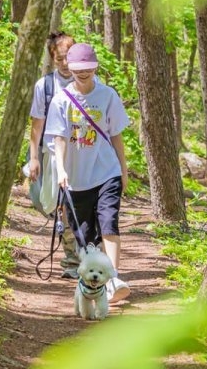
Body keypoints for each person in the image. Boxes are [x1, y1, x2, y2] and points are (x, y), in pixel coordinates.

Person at [45, 42, 131, 303]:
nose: (83, 74)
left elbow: (116, 136)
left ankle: (113, 277)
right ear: (69, 68)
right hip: (75, 178)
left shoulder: (108, 96)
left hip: (107, 171)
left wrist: (123, 171)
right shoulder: (61, 100)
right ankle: (93, 285)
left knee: (109, 221)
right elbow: (59, 139)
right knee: (86, 234)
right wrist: (61, 170)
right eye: (78, 69)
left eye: (88, 69)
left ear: (95, 68)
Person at [27, 31, 81, 278]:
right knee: (53, 205)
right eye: (60, 59)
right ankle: (73, 256)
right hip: (51, 154)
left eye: (69, 56)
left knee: (77, 206)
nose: (66, 63)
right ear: (52, 59)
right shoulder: (45, 86)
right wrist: (34, 157)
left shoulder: (88, 81)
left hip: (83, 154)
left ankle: (77, 260)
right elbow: (36, 125)